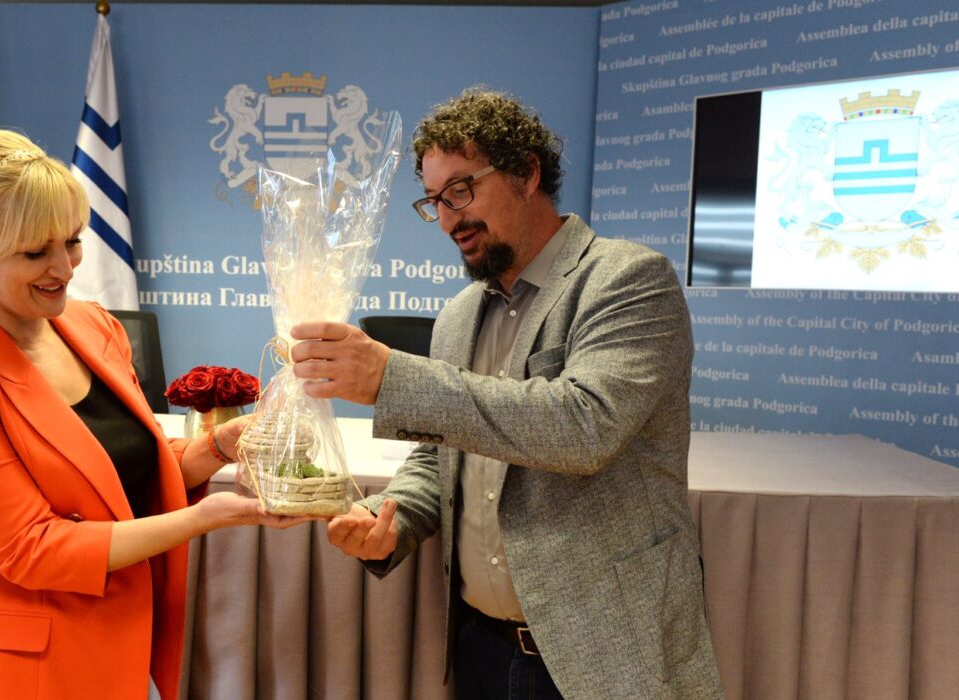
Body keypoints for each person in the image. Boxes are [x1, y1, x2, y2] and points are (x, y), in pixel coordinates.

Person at [289, 88, 723, 698]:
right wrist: (392, 518)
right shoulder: (459, 315)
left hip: (604, 656)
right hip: (480, 649)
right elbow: (443, 457)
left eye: (461, 190)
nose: (449, 219)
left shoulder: (627, 279)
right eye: (435, 201)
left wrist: (391, 378)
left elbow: (584, 427)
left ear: (527, 172)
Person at [0, 126, 304, 700]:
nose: (64, 268)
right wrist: (204, 519)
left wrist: (219, 446)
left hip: (122, 648)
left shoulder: (93, 325)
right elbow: (29, 548)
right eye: (35, 252)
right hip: (22, 672)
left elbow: (117, 479)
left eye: (72, 241)